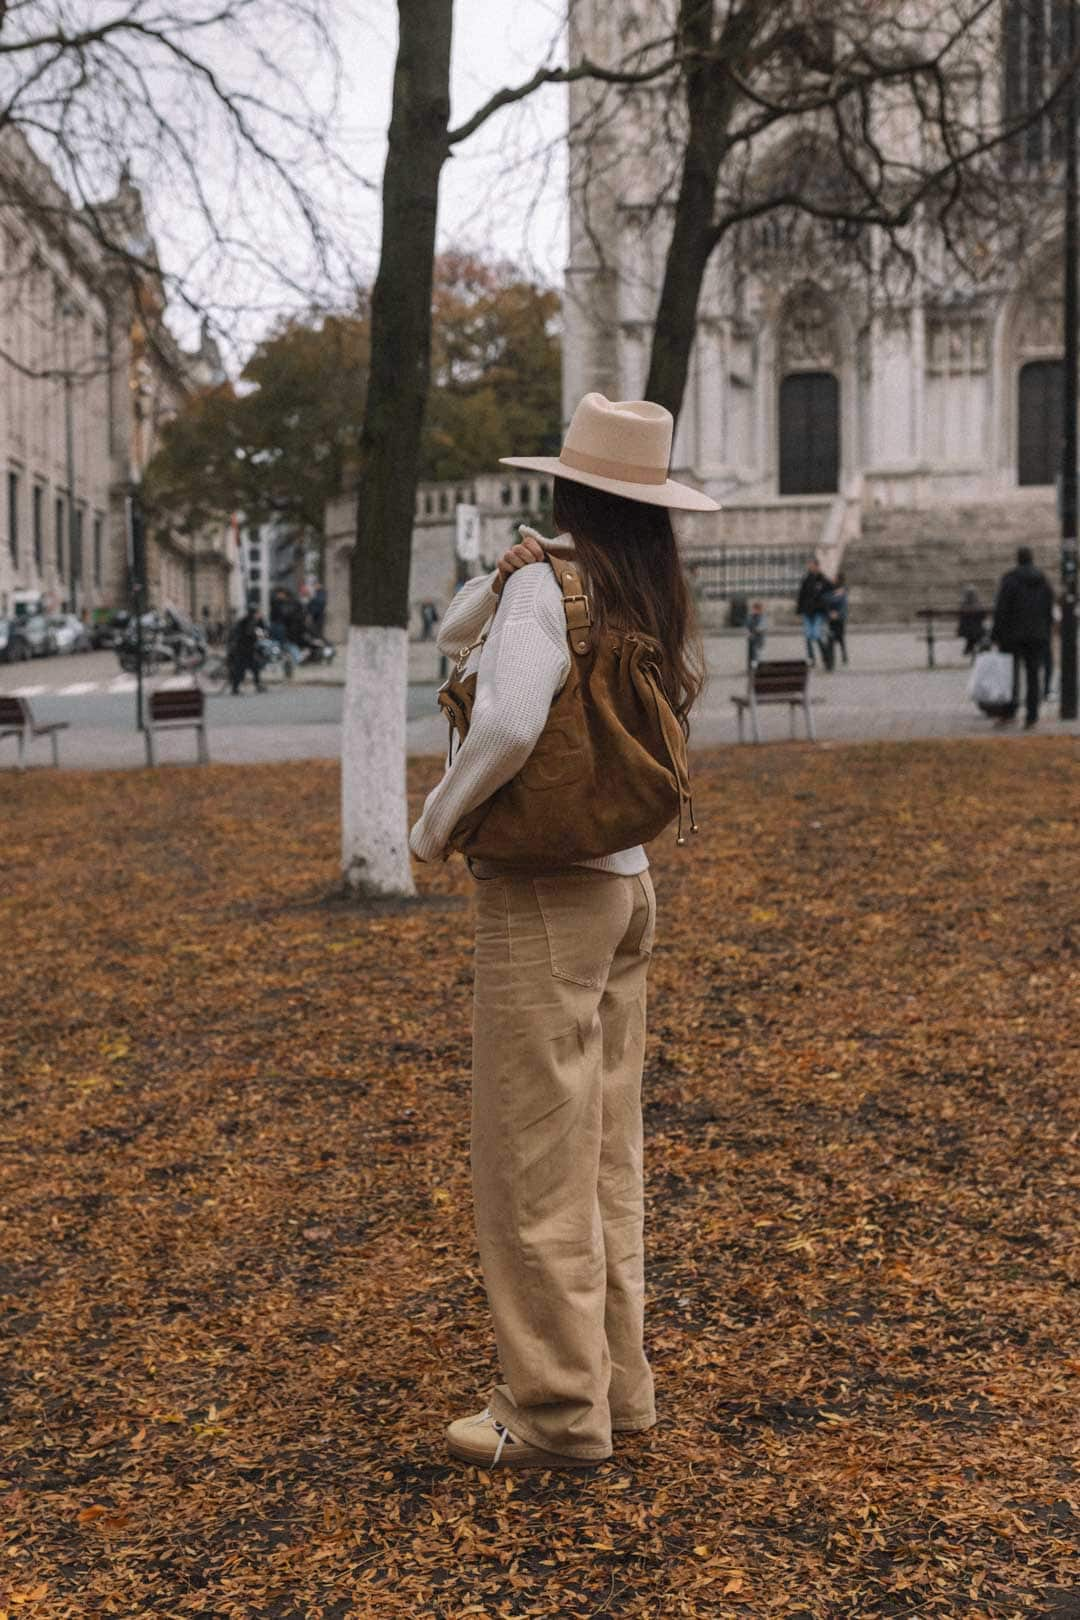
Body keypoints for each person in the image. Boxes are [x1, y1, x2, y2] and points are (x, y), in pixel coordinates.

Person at [408, 392, 717, 1470]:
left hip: (547, 892)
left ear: (568, 488)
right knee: (605, 1154)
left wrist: (434, 824)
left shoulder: (555, 588)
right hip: (628, 891)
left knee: (532, 1159)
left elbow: (500, 719)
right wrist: (509, 570)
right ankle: (618, 1385)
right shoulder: (641, 588)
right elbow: (459, 629)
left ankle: (549, 1412)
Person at [991, 545, 1054, 728]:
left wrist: (996, 633)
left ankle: (1009, 712)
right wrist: (1045, 630)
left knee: (1011, 675)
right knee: (1033, 674)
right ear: (1032, 559)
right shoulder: (1043, 580)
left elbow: (1001, 609)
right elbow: (1048, 608)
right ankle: (1032, 716)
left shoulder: (1010, 580)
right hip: (1037, 635)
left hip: (1013, 635)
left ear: (1017, 559)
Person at [796, 557, 834, 669]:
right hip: (808, 611)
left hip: (818, 611)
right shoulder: (806, 579)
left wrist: (829, 608)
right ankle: (811, 658)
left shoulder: (822, 579)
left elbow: (832, 589)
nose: (810, 567)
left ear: (817, 566)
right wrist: (799, 610)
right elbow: (801, 595)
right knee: (808, 636)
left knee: (817, 635)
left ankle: (825, 657)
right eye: (809, 565)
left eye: (812, 565)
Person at [227, 605, 265, 694]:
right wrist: (257, 635)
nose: (259, 614)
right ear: (254, 613)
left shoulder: (248, 620)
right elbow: (249, 633)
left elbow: (262, 627)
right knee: (241, 669)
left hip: (245, 649)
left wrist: (260, 620)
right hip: (243, 649)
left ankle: (257, 685)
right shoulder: (249, 621)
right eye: (258, 612)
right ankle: (235, 688)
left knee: (254, 667)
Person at [825, 571, 849, 666]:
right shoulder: (831, 588)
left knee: (840, 637)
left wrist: (838, 614)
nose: (833, 579)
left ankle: (843, 655)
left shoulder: (843, 590)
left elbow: (842, 604)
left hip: (839, 618)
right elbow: (825, 598)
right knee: (831, 637)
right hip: (831, 617)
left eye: (834, 578)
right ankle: (831, 658)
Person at [957, 584, 986, 660]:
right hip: (976, 630)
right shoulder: (978, 605)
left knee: (973, 634)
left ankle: (969, 647)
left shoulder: (963, 605)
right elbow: (983, 617)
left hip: (966, 630)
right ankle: (972, 647)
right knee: (977, 633)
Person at [746, 600, 766, 668]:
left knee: (757, 653)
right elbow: (748, 626)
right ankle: (751, 666)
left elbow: (762, 627)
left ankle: (756, 667)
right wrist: (749, 632)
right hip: (752, 639)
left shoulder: (762, 617)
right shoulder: (751, 617)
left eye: (758, 609)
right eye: (755, 609)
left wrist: (757, 629)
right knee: (751, 654)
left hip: (759, 639)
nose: (756, 611)